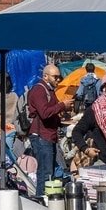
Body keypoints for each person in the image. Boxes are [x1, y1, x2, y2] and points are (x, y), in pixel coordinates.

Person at [25, 64, 65, 192]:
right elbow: (44, 112)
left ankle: (47, 201)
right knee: (45, 173)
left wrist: (61, 118)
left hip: (49, 135)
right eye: (55, 77)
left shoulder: (50, 91)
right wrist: (62, 105)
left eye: (59, 77)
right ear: (45, 76)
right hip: (41, 136)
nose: (58, 80)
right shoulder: (39, 90)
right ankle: (42, 202)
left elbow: (50, 113)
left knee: (49, 172)